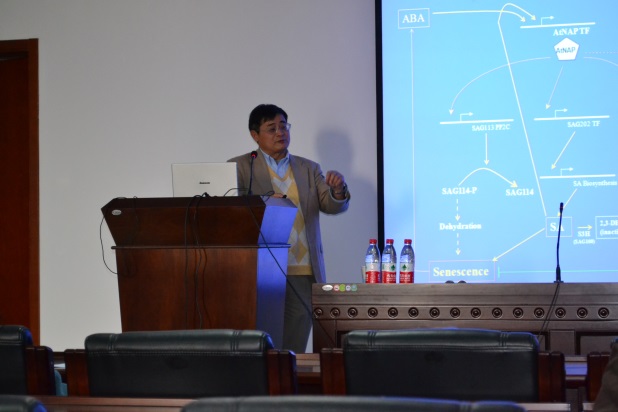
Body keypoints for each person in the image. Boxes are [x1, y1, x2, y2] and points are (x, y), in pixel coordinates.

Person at [228, 104, 350, 353]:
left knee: (294, 347)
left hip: (302, 271)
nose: (280, 133)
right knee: (262, 344)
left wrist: (338, 190)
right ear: (255, 135)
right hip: (261, 272)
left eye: (283, 126)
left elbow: (330, 205)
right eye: (271, 128)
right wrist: (262, 202)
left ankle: (290, 379)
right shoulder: (240, 167)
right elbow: (231, 213)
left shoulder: (309, 168)